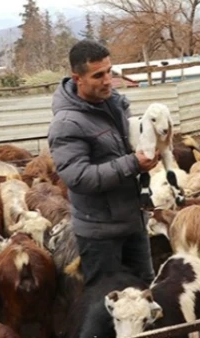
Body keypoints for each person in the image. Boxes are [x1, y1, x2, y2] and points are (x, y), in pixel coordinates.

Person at [47, 39, 159, 287]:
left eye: (109, 71)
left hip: (133, 223)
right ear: (78, 79)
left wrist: (150, 146)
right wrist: (133, 164)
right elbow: (79, 177)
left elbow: (126, 147)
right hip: (100, 236)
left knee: (143, 294)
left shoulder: (115, 104)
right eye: (98, 75)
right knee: (108, 303)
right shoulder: (67, 123)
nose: (108, 80)